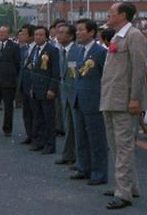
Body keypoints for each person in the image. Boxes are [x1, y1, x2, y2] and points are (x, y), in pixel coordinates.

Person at [101, 2, 147, 210]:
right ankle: (129, 186)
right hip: (111, 98)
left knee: (124, 147)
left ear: (123, 15)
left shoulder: (134, 35)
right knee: (116, 145)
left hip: (124, 100)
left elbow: (139, 69)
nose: (109, 16)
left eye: (112, 13)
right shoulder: (117, 35)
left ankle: (124, 192)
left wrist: (135, 98)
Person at [70, 19, 109, 186]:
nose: (78, 33)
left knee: (96, 139)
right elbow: (73, 71)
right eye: (77, 30)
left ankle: (99, 173)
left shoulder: (100, 52)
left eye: (81, 30)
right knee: (81, 137)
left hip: (94, 100)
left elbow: (105, 77)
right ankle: (83, 167)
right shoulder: (78, 51)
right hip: (79, 97)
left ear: (92, 32)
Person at [28, 26, 60, 155]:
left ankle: (50, 145)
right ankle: (40, 142)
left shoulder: (52, 50)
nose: (38, 37)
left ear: (46, 36)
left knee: (49, 119)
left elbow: (55, 72)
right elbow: (32, 70)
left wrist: (52, 89)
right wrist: (31, 87)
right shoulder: (34, 50)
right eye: (36, 35)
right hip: (36, 89)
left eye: (41, 35)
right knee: (38, 117)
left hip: (47, 89)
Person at [55, 23, 81, 165]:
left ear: (71, 36)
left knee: (76, 127)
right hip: (65, 92)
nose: (58, 35)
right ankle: (68, 154)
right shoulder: (62, 51)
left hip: (75, 93)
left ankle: (78, 158)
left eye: (62, 32)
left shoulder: (76, 51)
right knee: (68, 125)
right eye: (58, 32)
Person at [16, 24, 36, 145]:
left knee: (35, 113)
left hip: (33, 86)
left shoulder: (37, 50)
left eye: (24, 33)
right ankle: (29, 134)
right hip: (24, 85)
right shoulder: (23, 49)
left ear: (31, 35)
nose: (21, 35)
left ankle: (36, 136)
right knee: (26, 112)